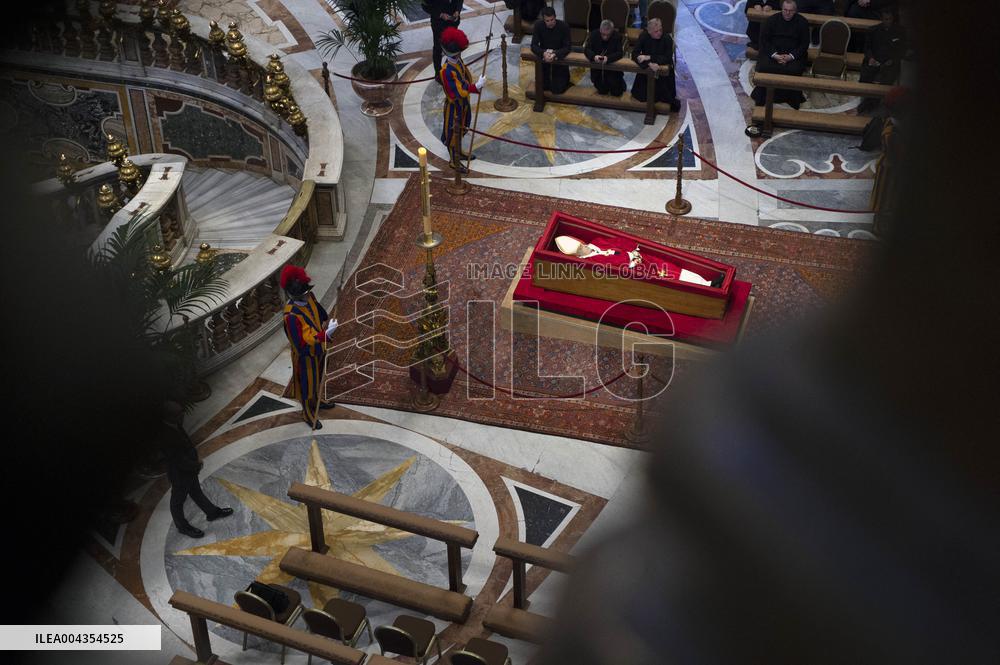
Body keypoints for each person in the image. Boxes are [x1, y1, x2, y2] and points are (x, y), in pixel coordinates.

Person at [159, 401, 233, 539]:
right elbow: (177, 459)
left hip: (189, 469)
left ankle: (212, 512)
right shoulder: (166, 435)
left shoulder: (175, 425)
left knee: (196, 491)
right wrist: (196, 465)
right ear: (170, 416)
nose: (183, 415)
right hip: (180, 473)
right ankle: (182, 526)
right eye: (179, 413)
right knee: (177, 501)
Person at [281, 264, 338, 429]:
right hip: (305, 356)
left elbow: (320, 314)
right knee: (307, 384)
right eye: (303, 294)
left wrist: (327, 324)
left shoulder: (309, 296)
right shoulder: (290, 316)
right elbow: (302, 343)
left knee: (318, 377)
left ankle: (317, 400)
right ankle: (307, 412)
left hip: (319, 349)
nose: (307, 296)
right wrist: (325, 335)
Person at [439, 26, 486, 173]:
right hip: (454, 106)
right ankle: (454, 161)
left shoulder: (457, 62)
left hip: (463, 104)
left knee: (464, 127)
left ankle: (458, 151)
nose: (459, 56)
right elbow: (457, 92)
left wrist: (473, 85)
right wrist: (475, 87)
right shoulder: (446, 71)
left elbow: (465, 78)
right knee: (453, 133)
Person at [750, 0, 810, 109]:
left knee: (794, 70)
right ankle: (762, 97)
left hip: (792, 56)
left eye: (790, 11)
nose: (787, 13)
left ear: (795, 11)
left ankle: (791, 98)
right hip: (774, 54)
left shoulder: (802, 22)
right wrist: (775, 55)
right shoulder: (772, 20)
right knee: (765, 67)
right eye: (785, 10)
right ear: (782, 9)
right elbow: (765, 41)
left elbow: (804, 44)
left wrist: (790, 57)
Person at [857, 6, 904, 112]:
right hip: (875, 60)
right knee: (866, 76)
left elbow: (902, 50)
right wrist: (871, 58)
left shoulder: (900, 32)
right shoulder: (873, 30)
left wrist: (893, 60)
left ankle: (872, 103)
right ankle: (867, 101)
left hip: (890, 63)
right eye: (885, 19)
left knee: (885, 80)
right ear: (882, 19)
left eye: (889, 19)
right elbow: (867, 48)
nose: (887, 21)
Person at [630, 18, 680, 111]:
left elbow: (667, 58)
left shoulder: (667, 38)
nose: (659, 33)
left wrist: (649, 57)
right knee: (641, 96)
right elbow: (634, 54)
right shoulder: (644, 36)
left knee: (665, 97)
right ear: (649, 31)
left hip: (663, 74)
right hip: (647, 71)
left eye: (660, 30)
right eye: (656, 31)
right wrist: (649, 64)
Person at [530, 6, 572, 94]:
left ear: (555, 17)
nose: (550, 23)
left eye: (552, 20)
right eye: (547, 21)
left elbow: (567, 47)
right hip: (545, 57)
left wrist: (555, 54)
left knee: (558, 90)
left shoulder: (564, 26)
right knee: (543, 87)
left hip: (559, 58)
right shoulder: (538, 25)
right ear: (543, 20)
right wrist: (543, 53)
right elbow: (533, 45)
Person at [424, 0, 462, 85]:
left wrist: (457, 10)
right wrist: (440, 14)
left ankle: (453, 69)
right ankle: (438, 74)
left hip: (453, 21)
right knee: (438, 48)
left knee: (454, 45)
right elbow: (425, 6)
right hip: (439, 23)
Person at [584, 20, 626, 97]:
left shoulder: (617, 36)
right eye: (603, 34)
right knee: (602, 91)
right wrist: (594, 56)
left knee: (616, 93)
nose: (605, 37)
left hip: (612, 71)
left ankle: (621, 82)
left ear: (612, 31)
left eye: (608, 35)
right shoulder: (594, 34)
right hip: (598, 70)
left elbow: (620, 53)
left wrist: (608, 58)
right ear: (600, 30)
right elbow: (587, 49)